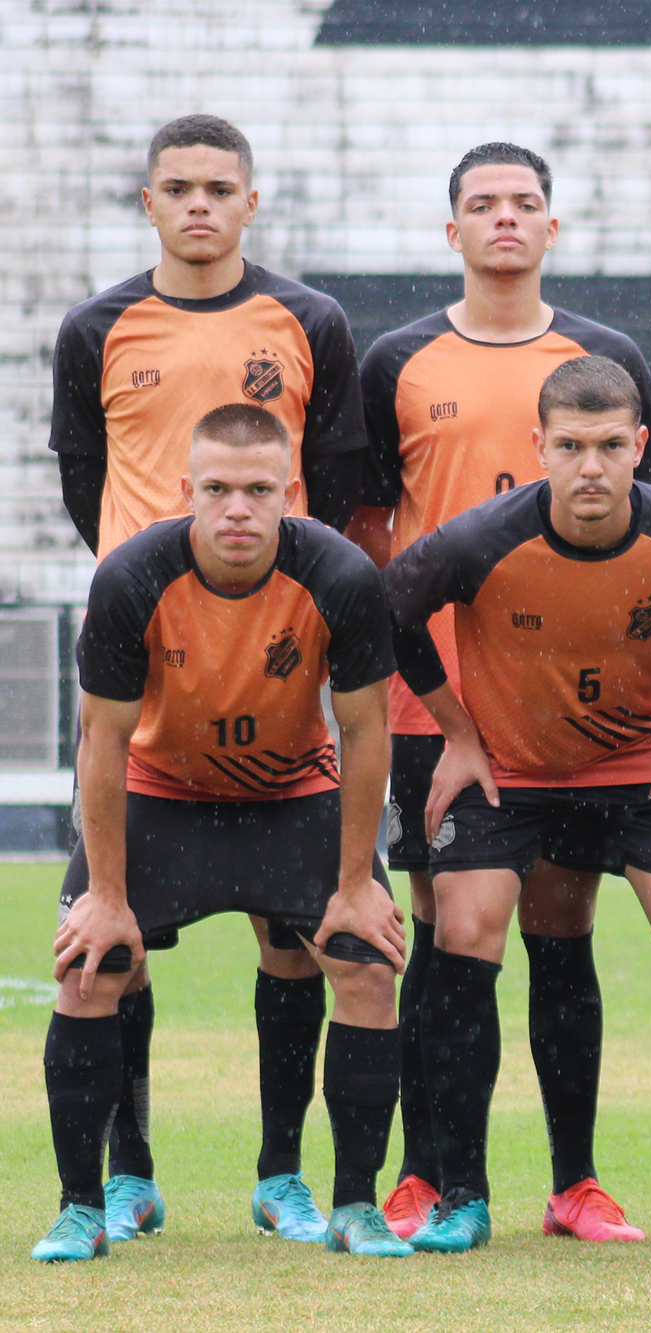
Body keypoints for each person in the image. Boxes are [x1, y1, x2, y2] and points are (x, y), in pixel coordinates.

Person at [45, 113, 372, 1245]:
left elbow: (331, 477)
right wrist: (150, 590)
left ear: (249, 200)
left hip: (274, 652)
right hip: (150, 658)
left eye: (217, 187)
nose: (198, 204)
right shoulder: (96, 327)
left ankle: (282, 1173)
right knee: (109, 941)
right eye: (176, 186)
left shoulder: (309, 320)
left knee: (295, 939)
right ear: (148, 201)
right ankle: (127, 1172)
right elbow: (86, 486)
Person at [382, 356, 651, 1254]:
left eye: (609, 446)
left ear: (641, 446)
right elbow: (391, 610)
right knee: (466, 926)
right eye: (570, 445)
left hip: (640, 766)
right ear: (540, 448)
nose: (591, 466)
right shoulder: (478, 538)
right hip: (510, 774)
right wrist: (456, 732)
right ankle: (464, 1193)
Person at [345, 141, 651, 1243]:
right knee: (445, 927)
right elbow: (365, 535)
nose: (504, 220)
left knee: (560, 919)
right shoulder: (397, 358)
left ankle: (573, 1180)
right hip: (434, 704)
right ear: (453, 231)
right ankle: (433, 1174)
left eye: (524, 203)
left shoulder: (605, 355)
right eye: (481, 205)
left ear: (551, 226)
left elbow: (648, 533)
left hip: (563, 711)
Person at [33, 404, 406, 1262]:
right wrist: (107, 897)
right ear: (186, 490)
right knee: (95, 966)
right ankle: (92, 1201)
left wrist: (354, 885)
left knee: (366, 963)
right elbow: (102, 740)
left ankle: (336, 1198)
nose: (237, 508)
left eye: (257, 490)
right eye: (218, 489)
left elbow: (364, 734)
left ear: (290, 492)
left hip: (289, 794)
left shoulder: (342, 577)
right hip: (160, 793)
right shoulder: (130, 577)